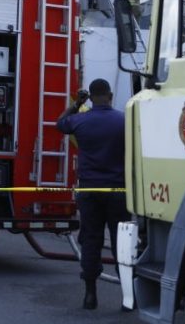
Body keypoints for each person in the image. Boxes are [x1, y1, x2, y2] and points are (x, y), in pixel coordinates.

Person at [56, 78, 128, 310]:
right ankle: (128, 298)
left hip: (88, 190)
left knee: (91, 240)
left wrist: (77, 104)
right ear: (109, 96)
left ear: (92, 97)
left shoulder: (79, 120)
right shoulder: (123, 121)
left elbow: (60, 123)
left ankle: (90, 295)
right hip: (117, 190)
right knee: (121, 244)